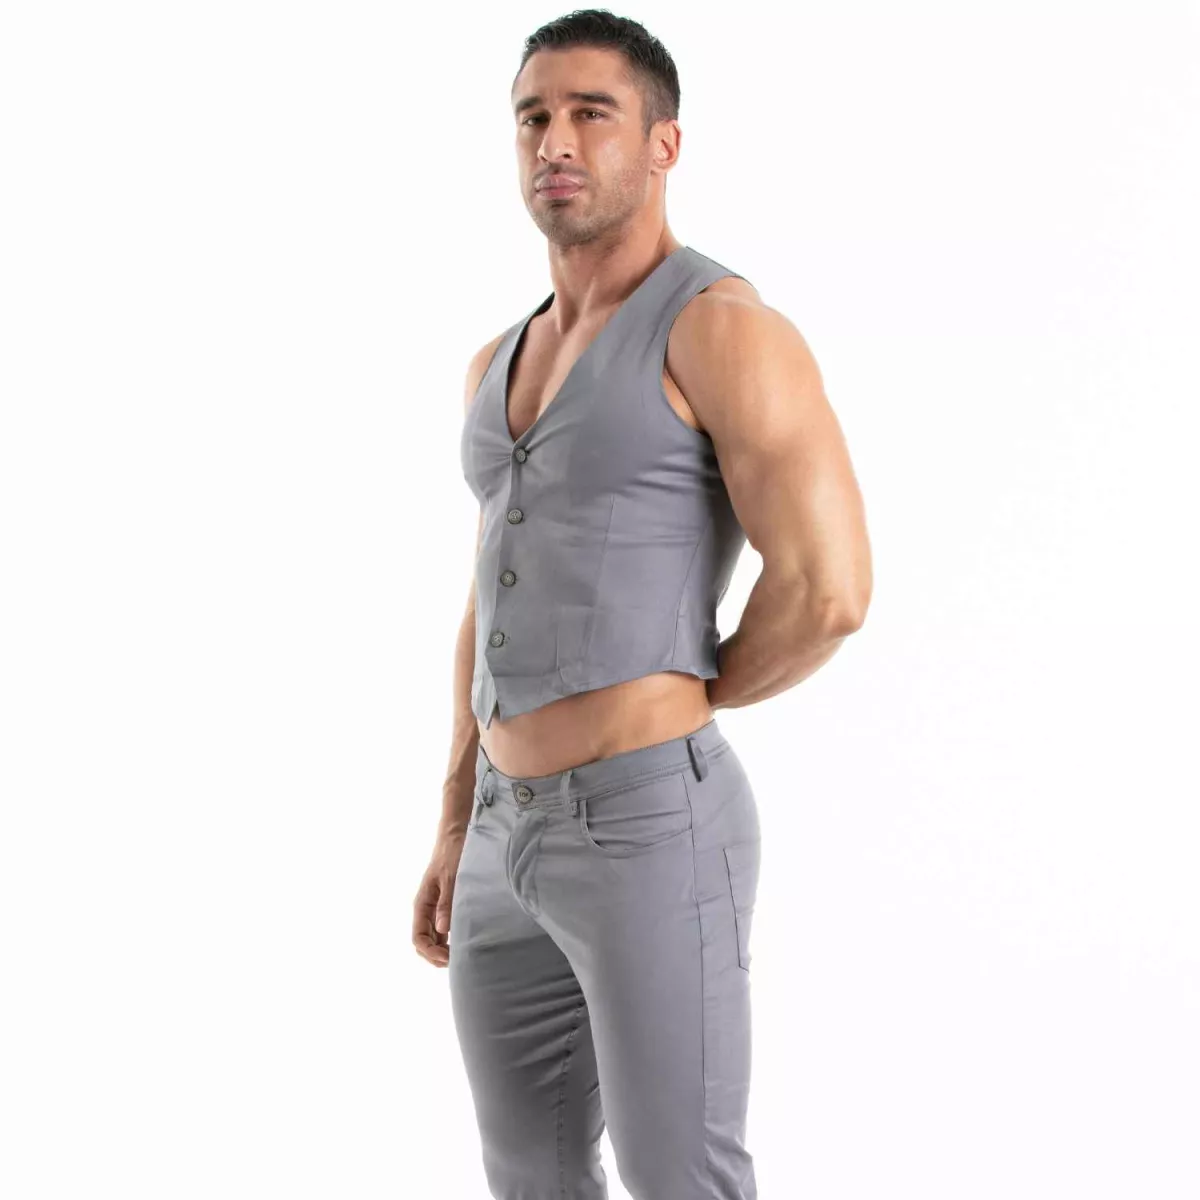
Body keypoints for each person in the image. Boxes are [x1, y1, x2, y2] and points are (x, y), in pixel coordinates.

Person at [412, 10, 871, 1198]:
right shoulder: (495, 361)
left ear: (664, 143)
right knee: (531, 1174)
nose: (555, 142)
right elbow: (488, 590)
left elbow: (829, 590)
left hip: (648, 823)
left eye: (591, 114)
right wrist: (457, 819)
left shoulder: (723, 329)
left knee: (683, 1176)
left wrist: (681, 692)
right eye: (533, 117)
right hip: (501, 836)